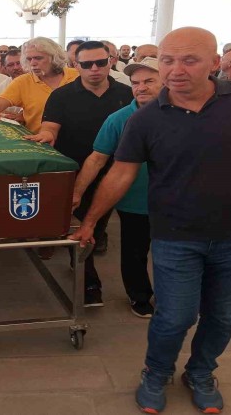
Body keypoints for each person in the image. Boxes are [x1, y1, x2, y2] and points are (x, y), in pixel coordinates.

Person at [70, 27, 231, 414]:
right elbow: (120, 173)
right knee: (175, 316)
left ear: (214, 63)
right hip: (176, 234)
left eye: (189, 60)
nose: (176, 69)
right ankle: (156, 372)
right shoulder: (145, 119)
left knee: (222, 316)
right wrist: (90, 222)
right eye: (167, 60)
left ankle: (200, 372)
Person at [24, 40, 133, 307]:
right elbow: (50, 127)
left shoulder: (127, 94)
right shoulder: (62, 96)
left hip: (116, 172)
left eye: (100, 62)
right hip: (74, 171)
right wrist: (45, 136)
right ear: (76, 65)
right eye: (87, 64)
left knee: (96, 225)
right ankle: (89, 283)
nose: (94, 68)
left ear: (111, 62)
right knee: (82, 225)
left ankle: (83, 267)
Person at [73, 57, 162, 318]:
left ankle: (171, 298)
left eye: (149, 81)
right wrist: (77, 192)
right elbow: (97, 158)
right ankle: (139, 296)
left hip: (175, 202)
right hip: (134, 202)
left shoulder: (184, 114)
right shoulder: (118, 119)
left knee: (171, 254)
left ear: (166, 81)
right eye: (135, 83)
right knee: (134, 252)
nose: (141, 87)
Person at [0, 37, 79, 133]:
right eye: (29, 59)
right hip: (40, 141)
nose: (33, 63)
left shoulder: (78, 75)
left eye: (38, 58)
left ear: (54, 57)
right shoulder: (22, 82)